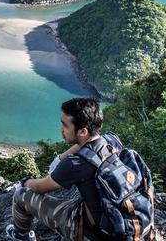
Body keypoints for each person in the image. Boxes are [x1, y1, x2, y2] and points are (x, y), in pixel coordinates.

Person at [6, 98, 107, 241]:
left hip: (95, 233)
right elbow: (86, 144)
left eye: (65, 126)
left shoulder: (77, 164)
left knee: (22, 195)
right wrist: (61, 158)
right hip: (125, 224)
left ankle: (20, 236)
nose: (61, 130)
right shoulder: (111, 140)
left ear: (83, 131)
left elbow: (40, 187)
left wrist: (25, 181)